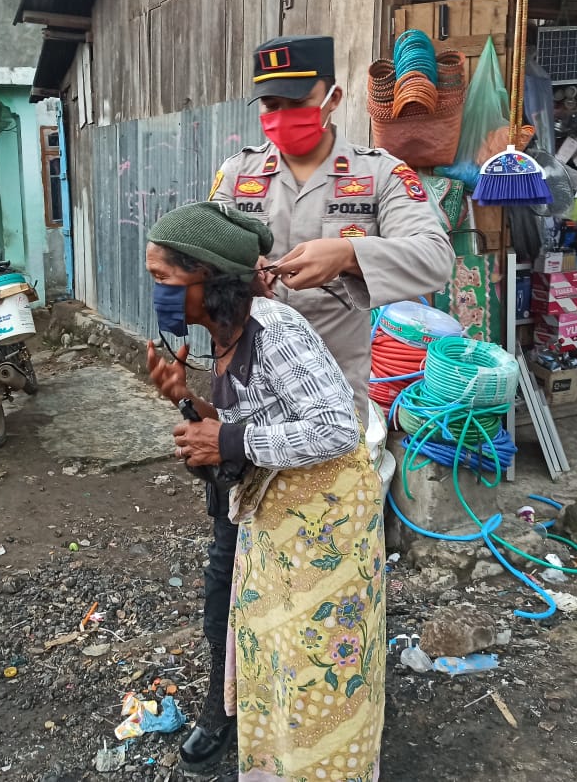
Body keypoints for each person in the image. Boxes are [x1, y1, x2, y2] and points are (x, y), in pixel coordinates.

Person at [149, 35, 453, 770]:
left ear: (332, 101)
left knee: (334, 581)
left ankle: (340, 708)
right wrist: (181, 350)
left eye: (294, 104)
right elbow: (193, 267)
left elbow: (436, 258)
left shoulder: (380, 176)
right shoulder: (240, 177)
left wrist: (351, 254)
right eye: (270, 105)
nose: (280, 118)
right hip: (244, 400)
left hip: (333, 409)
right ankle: (231, 703)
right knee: (235, 567)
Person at [144, 202, 386, 781]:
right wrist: (185, 401)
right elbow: (248, 427)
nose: (156, 292)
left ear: (208, 275)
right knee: (274, 653)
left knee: (314, 656)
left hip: (322, 525)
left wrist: (225, 439)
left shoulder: (273, 328)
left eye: (162, 278)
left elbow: (333, 428)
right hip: (280, 521)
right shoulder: (224, 335)